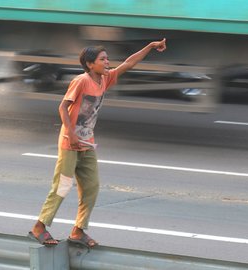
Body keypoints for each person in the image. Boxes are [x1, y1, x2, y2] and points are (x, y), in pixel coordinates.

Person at [29, 39, 167, 247]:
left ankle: (78, 231)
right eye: (102, 59)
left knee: (91, 187)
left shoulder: (105, 79)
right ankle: (39, 227)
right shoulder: (81, 81)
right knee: (62, 186)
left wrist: (149, 47)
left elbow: (129, 63)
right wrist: (71, 134)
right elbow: (62, 108)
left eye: (107, 58)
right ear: (90, 64)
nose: (107, 62)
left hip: (87, 142)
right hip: (70, 142)